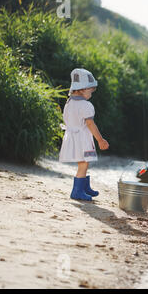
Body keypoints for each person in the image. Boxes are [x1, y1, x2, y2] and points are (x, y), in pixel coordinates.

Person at [59, 68, 109, 201]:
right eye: (90, 91)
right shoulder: (85, 105)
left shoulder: (69, 103)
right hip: (81, 139)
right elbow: (90, 124)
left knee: (84, 162)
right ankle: (77, 191)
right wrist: (100, 139)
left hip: (72, 137)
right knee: (83, 164)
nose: (91, 94)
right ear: (81, 89)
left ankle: (85, 187)